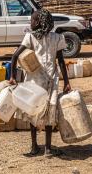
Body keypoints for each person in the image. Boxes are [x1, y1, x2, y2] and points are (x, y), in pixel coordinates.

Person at [9, 9, 71, 157]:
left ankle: (36, 147)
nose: (30, 23)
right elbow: (61, 62)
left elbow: (15, 56)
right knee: (43, 111)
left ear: (39, 22)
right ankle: (46, 148)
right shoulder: (50, 37)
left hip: (36, 80)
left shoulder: (34, 37)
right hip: (46, 79)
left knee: (36, 111)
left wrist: (12, 76)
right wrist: (66, 82)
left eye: (32, 20)